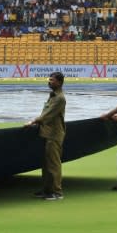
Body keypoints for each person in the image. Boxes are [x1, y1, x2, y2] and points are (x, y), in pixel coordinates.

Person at [25, 71, 66, 201]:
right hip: (47, 133)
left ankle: (57, 192)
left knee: (54, 164)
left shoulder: (60, 98)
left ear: (59, 82)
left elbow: (47, 114)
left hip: (54, 134)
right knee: (46, 164)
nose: (49, 81)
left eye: (52, 80)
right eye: (49, 79)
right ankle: (47, 190)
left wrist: (33, 121)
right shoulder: (52, 96)